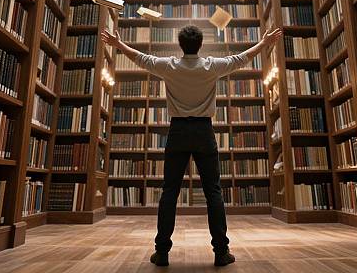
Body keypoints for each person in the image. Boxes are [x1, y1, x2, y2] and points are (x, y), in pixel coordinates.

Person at [101, 25, 283, 267]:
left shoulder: (169, 66)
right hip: (204, 131)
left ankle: (162, 252)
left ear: (180, 45)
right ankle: (221, 252)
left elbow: (141, 59)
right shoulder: (211, 66)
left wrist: (117, 44)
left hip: (177, 131)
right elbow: (241, 59)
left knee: (169, 192)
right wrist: (264, 43)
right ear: (200, 45)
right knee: (213, 192)